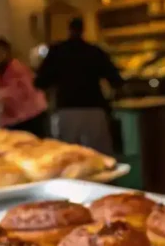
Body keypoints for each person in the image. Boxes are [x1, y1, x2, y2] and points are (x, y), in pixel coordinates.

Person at [35, 17, 123, 154]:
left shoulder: (57, 52)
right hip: (94, 109)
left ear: (68, 30)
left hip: (67, 109)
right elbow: (116, 80)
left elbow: (40, 82)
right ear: (83, 31)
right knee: (99, 156)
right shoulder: (95, 51)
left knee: (70, 156)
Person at [0, 37, 50, 137]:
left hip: (30, 116)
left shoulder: (18, 69)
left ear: (7, 52)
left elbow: (27, 91)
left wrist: (3, 95)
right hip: (15, 118)